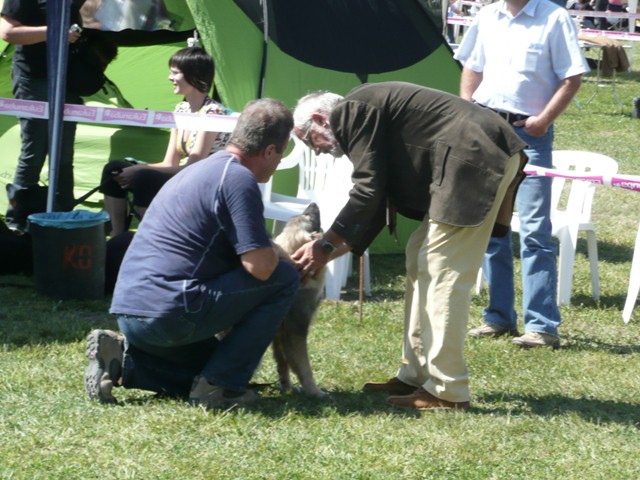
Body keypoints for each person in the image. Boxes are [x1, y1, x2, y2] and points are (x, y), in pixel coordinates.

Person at [291, 82, 528, 411]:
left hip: (474, 155)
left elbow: (368, 190)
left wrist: (326, 246)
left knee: (442, 272)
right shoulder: (360, 113)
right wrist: (329, 251)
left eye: (308, 141)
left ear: (320, 119)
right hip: (465, 157)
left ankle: (448, 390)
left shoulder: (350, 111)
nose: (316, 151)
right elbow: (375, 198)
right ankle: (415, 375)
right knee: (420, 258)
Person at [84, 98, 300, 409]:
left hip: (131, 312)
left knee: (205, 368)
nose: (278, 162)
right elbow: (261, 268)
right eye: (280, 155)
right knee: (285, 278)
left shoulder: (201, 170)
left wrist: (276, 251)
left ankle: (122, 359)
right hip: (171, 312)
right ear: (269, 151)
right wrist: (289, 260)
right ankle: (221, 388)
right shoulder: (239, 180)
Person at [454, 0, 589, 348]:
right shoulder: (487, 16)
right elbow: (472, 65)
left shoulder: (555, 18)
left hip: (530, 134)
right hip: (486, 129)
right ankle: (498, 317)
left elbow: (572, 77)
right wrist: (468, 106)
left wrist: (542, 121)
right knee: (489, 227)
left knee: (534, 231)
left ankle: (541, 325)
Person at [99, 46, 232, 237]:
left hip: (204, 181)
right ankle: (117, 237)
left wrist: (140, 170)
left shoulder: (213, 113)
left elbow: (194, 167)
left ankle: (157, 237)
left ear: (193, 75)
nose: (170, 78)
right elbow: (170, 163)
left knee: (145, 178)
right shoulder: (180, 109)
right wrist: (136, 168)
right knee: (114, 169)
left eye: (175, 73)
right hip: (184, 175)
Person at [0, 0, 85, 231]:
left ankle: (64, 218)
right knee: (35, 150)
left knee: (64, 152)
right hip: (33, 77)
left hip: (67, 78)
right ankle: (17, 222)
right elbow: (7, 33)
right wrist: (55, 33)